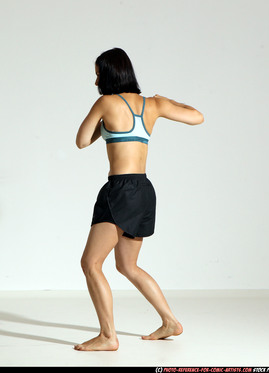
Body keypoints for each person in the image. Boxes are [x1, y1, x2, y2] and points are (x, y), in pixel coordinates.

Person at [74, 48, 204, 351]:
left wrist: (102, 126)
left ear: (108, 74)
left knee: (91, 263)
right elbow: (197, 117)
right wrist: (169, 101)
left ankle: (108, 336)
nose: (95, 79)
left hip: (119, 189)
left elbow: (81, 141)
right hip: (144, 190)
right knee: (127, 265)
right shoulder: (153, 104)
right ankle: (170, 321)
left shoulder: (105, 102)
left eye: (98, 73)